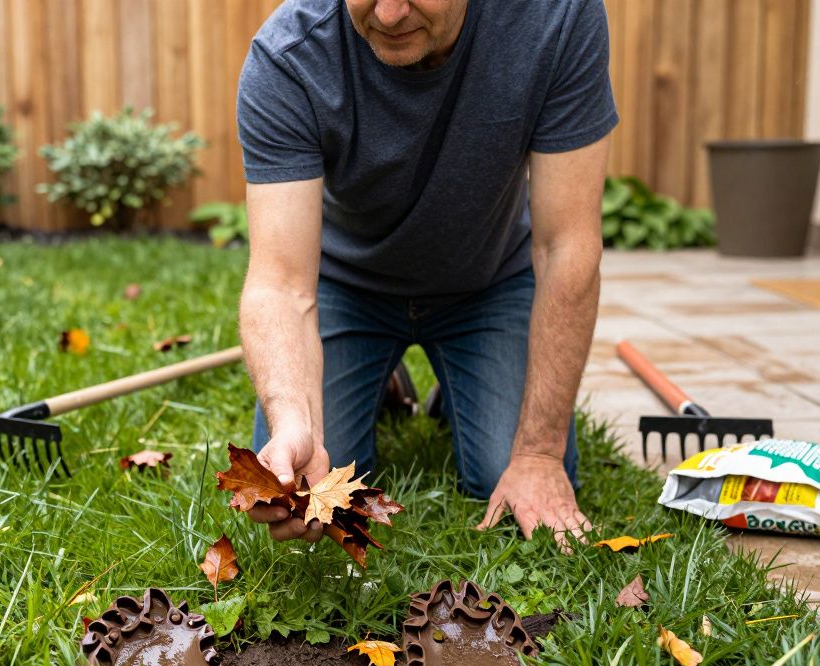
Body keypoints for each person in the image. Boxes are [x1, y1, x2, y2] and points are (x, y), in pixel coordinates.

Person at [235, 0, 617, 546]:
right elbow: (281, 283)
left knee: (505, 478)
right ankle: (379, 370)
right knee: (314, 486)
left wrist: (538, 452)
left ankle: (454, 382)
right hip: (347, 288)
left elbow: (567, 246)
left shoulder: (557, 18)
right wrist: (295, 418)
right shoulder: (289, 56)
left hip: (489, 283)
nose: (388, 15)